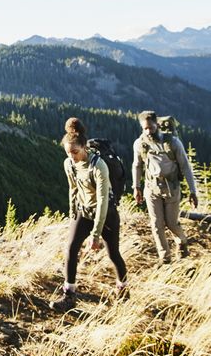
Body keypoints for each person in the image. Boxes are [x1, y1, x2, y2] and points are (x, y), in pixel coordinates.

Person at [50, 118, 128, 311]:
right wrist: (72, 213)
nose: (72, 157)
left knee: (113, 254)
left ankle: (124, 290)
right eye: (68, 153)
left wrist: (95, 234)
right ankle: (69, 295)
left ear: (84, 147)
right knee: (70, 249)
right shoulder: (69, 164)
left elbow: (102, 200)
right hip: (83, 211)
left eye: (75, 152)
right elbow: (73, 189)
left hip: (106, 213)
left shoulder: (98, 166)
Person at [131, 110, 198, 264]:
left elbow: (185, 166)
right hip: (151, 187)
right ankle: (165, 257)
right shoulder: (140, 144)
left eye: (151, 128)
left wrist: (193, 191)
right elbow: (137, 166)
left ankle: (182, 241)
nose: (148, 131)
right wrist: (136, 187)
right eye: (145, 128)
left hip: (171, 187)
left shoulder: (172, 143)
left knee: (171, 223)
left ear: (157, 125)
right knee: (156, 224)